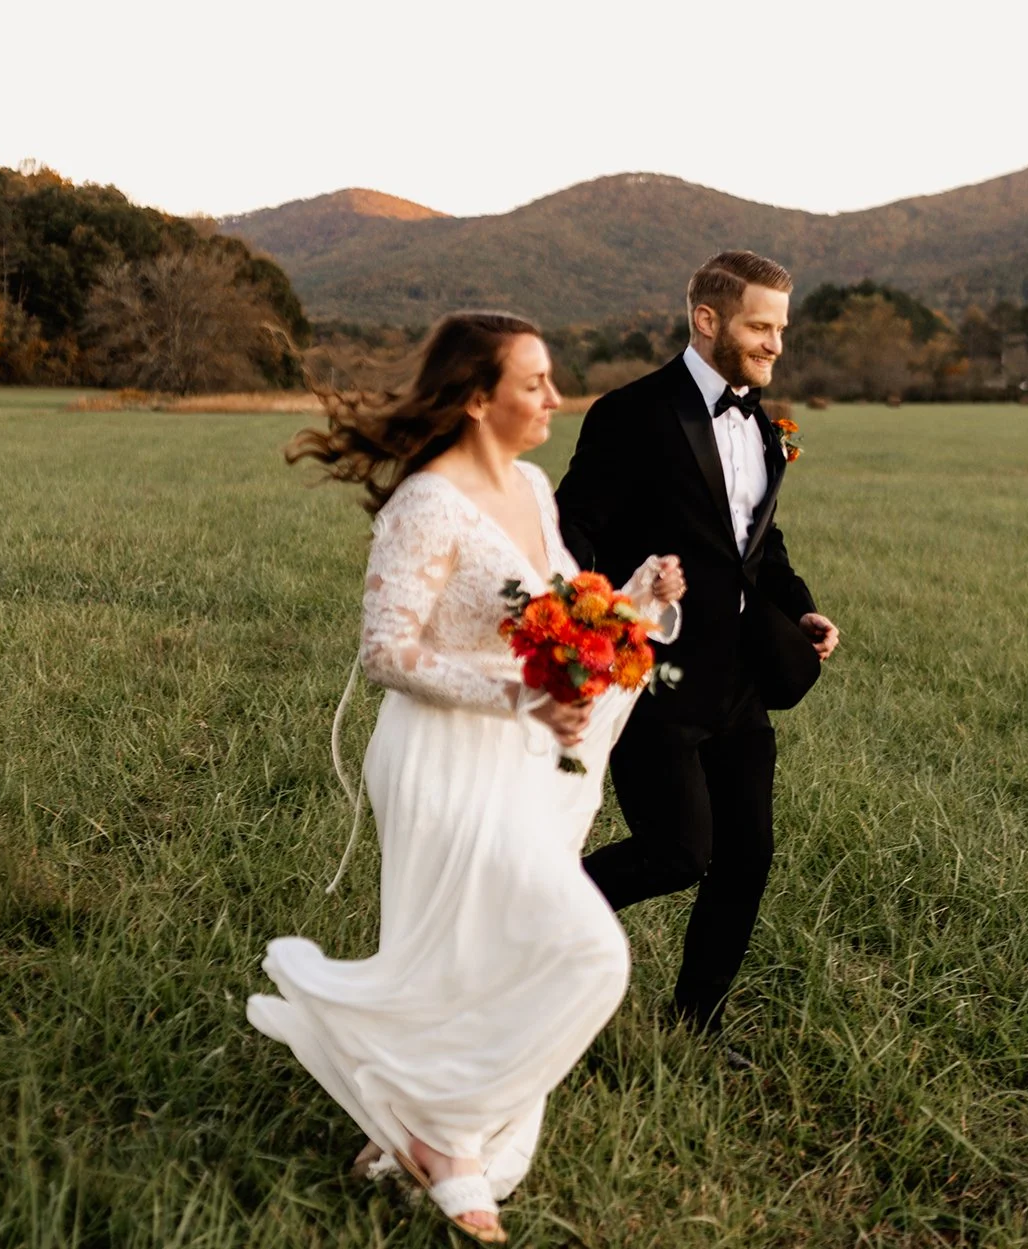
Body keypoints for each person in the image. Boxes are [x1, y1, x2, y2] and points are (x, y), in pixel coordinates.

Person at [247, 311, 684, 1243]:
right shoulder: (427, 506)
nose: (555, 399)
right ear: (479, 397)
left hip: (523, 762)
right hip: (442, 757)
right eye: (535, 383)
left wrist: (636, 604)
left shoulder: (529, 484)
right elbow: (384, 652)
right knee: (584, 953)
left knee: (500, 954)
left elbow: (561, 608)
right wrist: (519, 702)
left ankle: (420, 1119)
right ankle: (444, 1135)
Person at [556, 251, 838, 1061]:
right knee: (678, 851)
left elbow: (758, 539)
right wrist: (614, 610)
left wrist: (798, 606)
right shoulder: (630, 414)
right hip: (657, 680)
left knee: (746, 856)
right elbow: (577, 530)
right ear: (707, 320)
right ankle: (535, 911)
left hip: (742, 680)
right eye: (759, 325)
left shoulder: (763, 421)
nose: (774, 344)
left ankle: (697, 1024)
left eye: (780, 328)